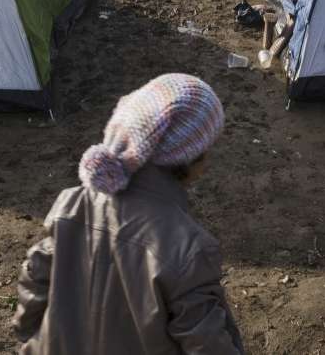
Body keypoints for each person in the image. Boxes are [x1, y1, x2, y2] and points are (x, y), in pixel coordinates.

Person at [12, 73, 244, 355]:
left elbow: (34, 283)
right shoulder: (188, 248)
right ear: (188, 159)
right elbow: (207, 343)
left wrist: (33, 341)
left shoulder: (69, 207)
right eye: (207, 148)